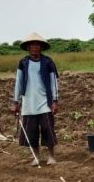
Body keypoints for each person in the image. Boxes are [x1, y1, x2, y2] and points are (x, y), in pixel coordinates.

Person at [13, 32, 60, 165]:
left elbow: (54, 82)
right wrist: (16, 102)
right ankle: (37, 157)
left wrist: (55, 101)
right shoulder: (23, 63)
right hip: (28, 103)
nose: (34, 47)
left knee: (48, 129)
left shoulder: (48, 62)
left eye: (37, 45)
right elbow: (19, 82)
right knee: (31, 131)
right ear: (28, 48)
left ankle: (51, 156)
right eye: (32, 45)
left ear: (41, 47)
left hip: (45, 102)